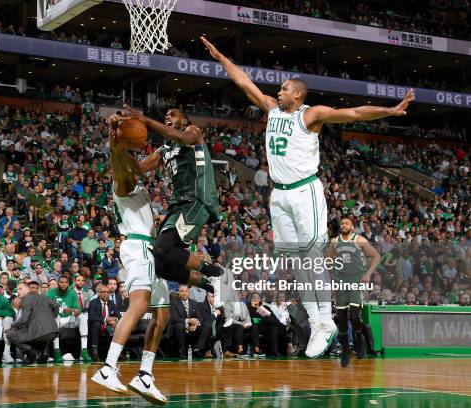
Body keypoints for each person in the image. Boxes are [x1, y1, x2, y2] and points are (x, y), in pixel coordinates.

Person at [200, 36, 414, 358]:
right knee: (296, 261)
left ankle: (326, 319)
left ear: (297, 94)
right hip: (279, 196)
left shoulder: (311, 115)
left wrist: (390, 110)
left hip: (305, 191)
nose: (279, 90)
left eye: (285, 87)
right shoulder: (272, 109)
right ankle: (318, 322)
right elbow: (244, 82)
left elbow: (354, 113)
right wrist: (220, 56)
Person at [120, 106, 228, 301]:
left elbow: (183, 139)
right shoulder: (164, 150)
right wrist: (119, 145)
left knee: (162, 248)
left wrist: (146, 120)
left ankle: (217, 273)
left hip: (197, 200)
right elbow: (137, 169)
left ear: (184, 121)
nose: (168, 116)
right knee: (160, 265)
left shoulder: (193, 132)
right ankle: (211, 285)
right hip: (178, 205)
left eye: (172, 114)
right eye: (166, 115)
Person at [92, 137, 170, 404]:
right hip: (138, 247)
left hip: (150, 250)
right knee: (138, 306)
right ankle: (108, 367)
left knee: (162, 315)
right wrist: (117, 144)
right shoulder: (122, 182)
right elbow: (140, 163)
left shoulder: (136, 186)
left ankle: (145, 375)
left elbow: (148, 164)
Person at [328, 216, 381, 367]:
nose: (344, 225)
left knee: (354, 315)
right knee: (342, 318)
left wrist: (368, 273)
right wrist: (329, 264)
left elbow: (376, 256)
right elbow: (329, 259)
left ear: (352, 227)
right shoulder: (334, 242)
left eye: (347, 223)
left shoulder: (360, 240)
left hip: (356, 280)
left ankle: (359, 341)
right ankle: (345, 349)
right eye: (342, 223)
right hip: (341, 281)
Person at [5, 282, 59, 364]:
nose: (18, 291)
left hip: (39, 333)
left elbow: (23, 319)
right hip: (53, 332)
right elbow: (56, 306)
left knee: (10, 334)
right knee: (37, 331)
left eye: (20, 289)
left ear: (27, 289)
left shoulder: (26, 300)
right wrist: (52, 317)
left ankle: (31, 352)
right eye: (17, 289)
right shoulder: (42, 296)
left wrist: (11, 326)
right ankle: (43, 353)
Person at [46, 276, 80, 363]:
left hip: (68, 319)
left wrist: (73, 311)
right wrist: (60, 310)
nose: (63, 284)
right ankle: (57, 350)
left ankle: (84, 349)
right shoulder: (51, 292)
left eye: (65, 282)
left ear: (68, 284)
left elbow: (78, 309)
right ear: (58, 283)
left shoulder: (73, 293)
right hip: (55, 320)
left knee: (83, 317)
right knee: (56, 317)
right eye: (61, 282)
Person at [170, 285, 210, 359]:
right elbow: (174, 318)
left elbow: (200, 317)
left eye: (186, 291)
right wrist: (188, 321)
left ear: (188, 292)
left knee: (207, 325)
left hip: (193, 328)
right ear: (179, 293)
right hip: (182, 328)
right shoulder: (174, 303)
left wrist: (196, 323)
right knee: (179, 325)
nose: (184, 293)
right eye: (182, 291)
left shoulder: (193, 302)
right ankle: (182, 351)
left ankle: (197, 348)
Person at [87, 283, 120, 362]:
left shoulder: (111, 303)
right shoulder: (93, 302)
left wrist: (115, 320)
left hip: (109, 325)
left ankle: (115, 352)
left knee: (116, 325)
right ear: (99, 293)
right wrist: (106, 319)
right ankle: (95, 351)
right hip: (98, 324)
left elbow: (119, 316)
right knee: (95, 324)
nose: (106, 294)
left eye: (107, 292)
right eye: (103, 292)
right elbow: (91, 317)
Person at [72, 273, 93, 361]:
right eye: (78, 280)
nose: (80, 282)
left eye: (82, 280)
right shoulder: (70, 292)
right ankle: (84, 350)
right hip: (71, 316)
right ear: (74, 281)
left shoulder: (86, 294)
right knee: (83, 317)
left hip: (83, 316)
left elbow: (87, 308)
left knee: (85, 318)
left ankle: (84, 351)